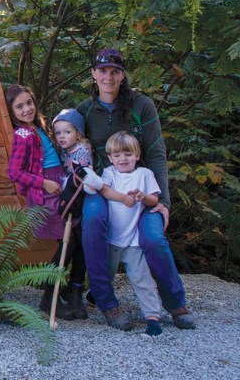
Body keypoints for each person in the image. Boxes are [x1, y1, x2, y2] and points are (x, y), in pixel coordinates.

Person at [75, 47, 196, 330]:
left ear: (122, 75)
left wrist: (162, 201)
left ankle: (175, 302)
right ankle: (106, 302)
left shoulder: (141, 105)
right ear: (93, 74)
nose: (108, 77)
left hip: (141, 188)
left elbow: (155, 151)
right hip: (104, 186)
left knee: (153, 238)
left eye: (114, 71)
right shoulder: (84, 110)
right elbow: (69, 143)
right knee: (92, 221)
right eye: (102, 71)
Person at [83, 132, 164, 337]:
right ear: (110, 158)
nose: (123, 159)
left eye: (128, 154)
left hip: (133, 239)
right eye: (117, 155)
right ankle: (96, 296)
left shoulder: (145, 174)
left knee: (141, 278)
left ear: (137, 155)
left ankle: (153, 317)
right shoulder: (110, 173)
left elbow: (154, 200)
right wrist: (123, 199)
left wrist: (142, 196)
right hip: (111, 238)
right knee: (106, 274)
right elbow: (104, 190)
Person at [4, 84, 73, 320]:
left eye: (29, 103)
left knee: (72, 238)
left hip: (57, 184)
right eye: (19, 106)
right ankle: (49, 294)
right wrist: (44, 183)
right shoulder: (22, 134)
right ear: (11, 111)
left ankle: (62, 291)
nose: (26, 109)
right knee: (69, 239)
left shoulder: (37, 128)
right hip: (46, 193)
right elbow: (14, 172)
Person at [50, 108, 93, 319]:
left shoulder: (83, 151)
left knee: (81, 244)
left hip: (79, 201)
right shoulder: (62, 152)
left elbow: (81, 178)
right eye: (58, 133)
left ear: (78, 133)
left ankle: (75, 287)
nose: (62, 137)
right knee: (70, 244)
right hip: (66, 202)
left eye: (67, 132)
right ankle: (59, 289)